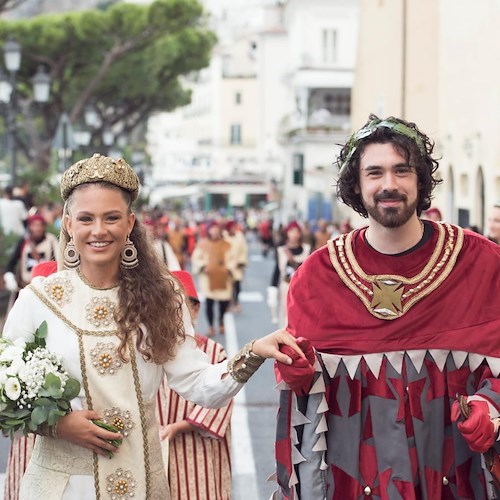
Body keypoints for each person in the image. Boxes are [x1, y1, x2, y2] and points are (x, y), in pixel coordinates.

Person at [2, 153, 302, 500]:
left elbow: (197, 383)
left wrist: (252, 354)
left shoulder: (163, 296)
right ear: (69, 224)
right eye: (86, 218)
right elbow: (4, 390)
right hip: (61, 488)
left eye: (111, 218)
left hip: (141, 484)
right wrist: (57, 424)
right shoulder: (38, 299)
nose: (98, 230)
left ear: (129, 224)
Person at [273, 115, 500, 499]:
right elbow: (306, 401)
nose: (389, 185)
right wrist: (297, 374)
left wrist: (490, 406)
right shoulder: (316, 278)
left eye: (402, 170)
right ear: (356, 185)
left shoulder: (482, 264)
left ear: (421, 180)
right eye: (375, 172)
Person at [156, 270, 233, 500]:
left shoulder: (214, 351)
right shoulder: (148, 350)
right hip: (157, 445)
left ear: (195, 309)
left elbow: (221, 402)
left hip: (199, 448)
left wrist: (178, 426)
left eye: (179, 306)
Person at [191, 221, 236, 336]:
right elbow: (196, 258)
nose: (215, 231)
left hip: (223, 278)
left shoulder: (227, 244)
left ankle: (221, 321)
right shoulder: (203, 244)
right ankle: (211, 326)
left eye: (217, 229)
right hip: (208, 278)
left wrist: (228, 268)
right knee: (209, 303)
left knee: (223, 303)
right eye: (213, 229)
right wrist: (203, 266)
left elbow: (232, 259)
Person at [3, 214, 59, 294]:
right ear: (30, 227)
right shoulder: (24, 241)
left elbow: (59, 261)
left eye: (40, 225)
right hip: (26, 287)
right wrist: (9, 276)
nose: (38, 228)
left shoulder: (51, 240)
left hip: (47, 288)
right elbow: (12, 262)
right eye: (35, 225)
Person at [269, 221, 311, 327]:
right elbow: (277, 271)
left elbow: (311, 271)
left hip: (303, 288)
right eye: (291, 231)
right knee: (286, 316)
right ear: (287, 233)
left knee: (302, 317)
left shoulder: (307, 249)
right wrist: (272, 291)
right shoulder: (281, 251)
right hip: (286, 288)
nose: (294, 234)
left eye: (297, 232)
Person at [225, 219, 248, 313]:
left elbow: (244, 249)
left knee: (237, 285)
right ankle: (228, 303)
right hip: (227, 265)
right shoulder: (224, 237)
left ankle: (236, 301)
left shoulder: (240, 236)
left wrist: (242, 261)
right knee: (227, 286)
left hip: (237, 264)